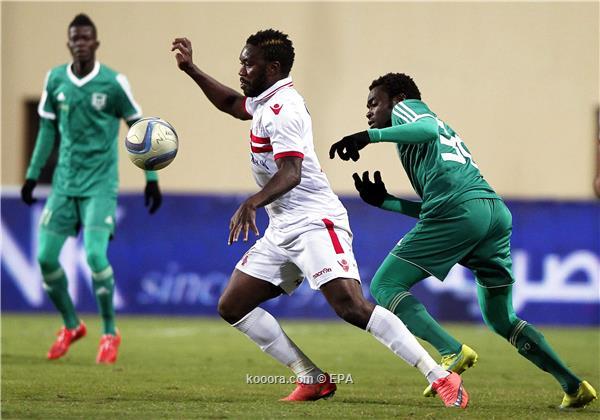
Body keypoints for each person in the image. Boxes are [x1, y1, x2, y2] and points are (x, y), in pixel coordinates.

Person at [171, 30, 469, 408]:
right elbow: (231, 103)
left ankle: (440, 375)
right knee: (233, 305)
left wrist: (253, 202)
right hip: (282, 226)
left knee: (351, 306)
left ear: (273, 68)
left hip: (315, 221)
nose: (241, 70)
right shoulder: (264, 101)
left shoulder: (286, 109)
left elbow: (291, 172)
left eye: (248, 64)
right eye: (241, 63)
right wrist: (192, 70)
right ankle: (311, 378)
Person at [329, 72, 598, 409]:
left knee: (385, 284)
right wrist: (387, 202)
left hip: (461, 212)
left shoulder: (409, 109)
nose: (368, 111)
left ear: (397, 99)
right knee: (501, 318)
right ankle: (573, 386)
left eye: (374, 103)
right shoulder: (423, 144)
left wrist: (370, 136)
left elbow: (427, 130)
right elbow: (439, 206)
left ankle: (451, 351)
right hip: (490, 213)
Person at [21, 14, 162, 364]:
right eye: (76, 38)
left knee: (96, 257)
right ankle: (71, 325)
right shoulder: (55, 79)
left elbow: (139, 130)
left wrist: (151, 179)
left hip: (100, 184)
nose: (81, 43)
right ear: (69, 43)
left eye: (86, 38)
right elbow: (47, 130)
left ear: (96, 43)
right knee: (45, 258)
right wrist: (32, 175)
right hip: (64, 183)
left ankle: (110, 332)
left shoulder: (113, 83)